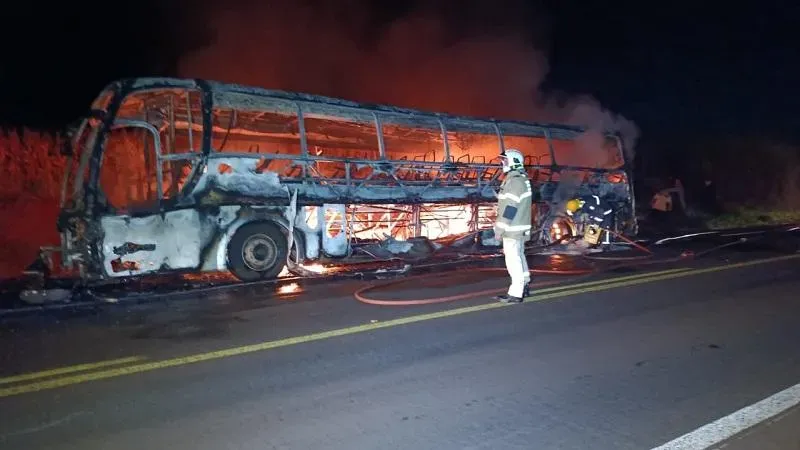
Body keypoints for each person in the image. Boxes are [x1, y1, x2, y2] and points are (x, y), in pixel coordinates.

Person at [493, 149, 533, 303]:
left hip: (512, 229)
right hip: (518, 227)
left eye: (505, 160)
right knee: (519, 256)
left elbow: (510, 208)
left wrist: (499, 229)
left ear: (514, 161)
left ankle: (516, 293)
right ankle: (524, 286)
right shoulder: (518, 179)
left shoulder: (515, 181)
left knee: (513, 259)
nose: (502, 163)